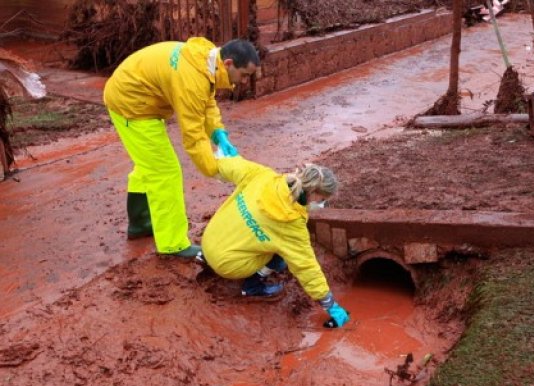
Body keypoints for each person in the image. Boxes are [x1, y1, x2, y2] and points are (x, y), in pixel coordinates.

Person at [103, 37, 260, 258]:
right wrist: (216, 169)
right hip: (131, 104)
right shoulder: (192, 78)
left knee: (149, 163)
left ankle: (139, 224)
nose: (244, 81)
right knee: (165, 171)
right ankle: (172, 244)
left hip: (136, 95)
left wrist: (218, 133)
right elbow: (193, 136)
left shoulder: (205, 60)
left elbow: (206, 102)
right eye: (244, 75)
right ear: (229, 64)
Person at [200, 155, 351, 328]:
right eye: (322, 200)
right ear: (314, 194)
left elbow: (229, 165)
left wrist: (223, 152)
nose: (322, 204)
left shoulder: (264, 175)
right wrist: (331, 305)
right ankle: (252, 286)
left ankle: (206, 256)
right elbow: (306, 267)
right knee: (282, 255)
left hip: (209, 239)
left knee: (260, 233)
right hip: (226, 264)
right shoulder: (291, 224)